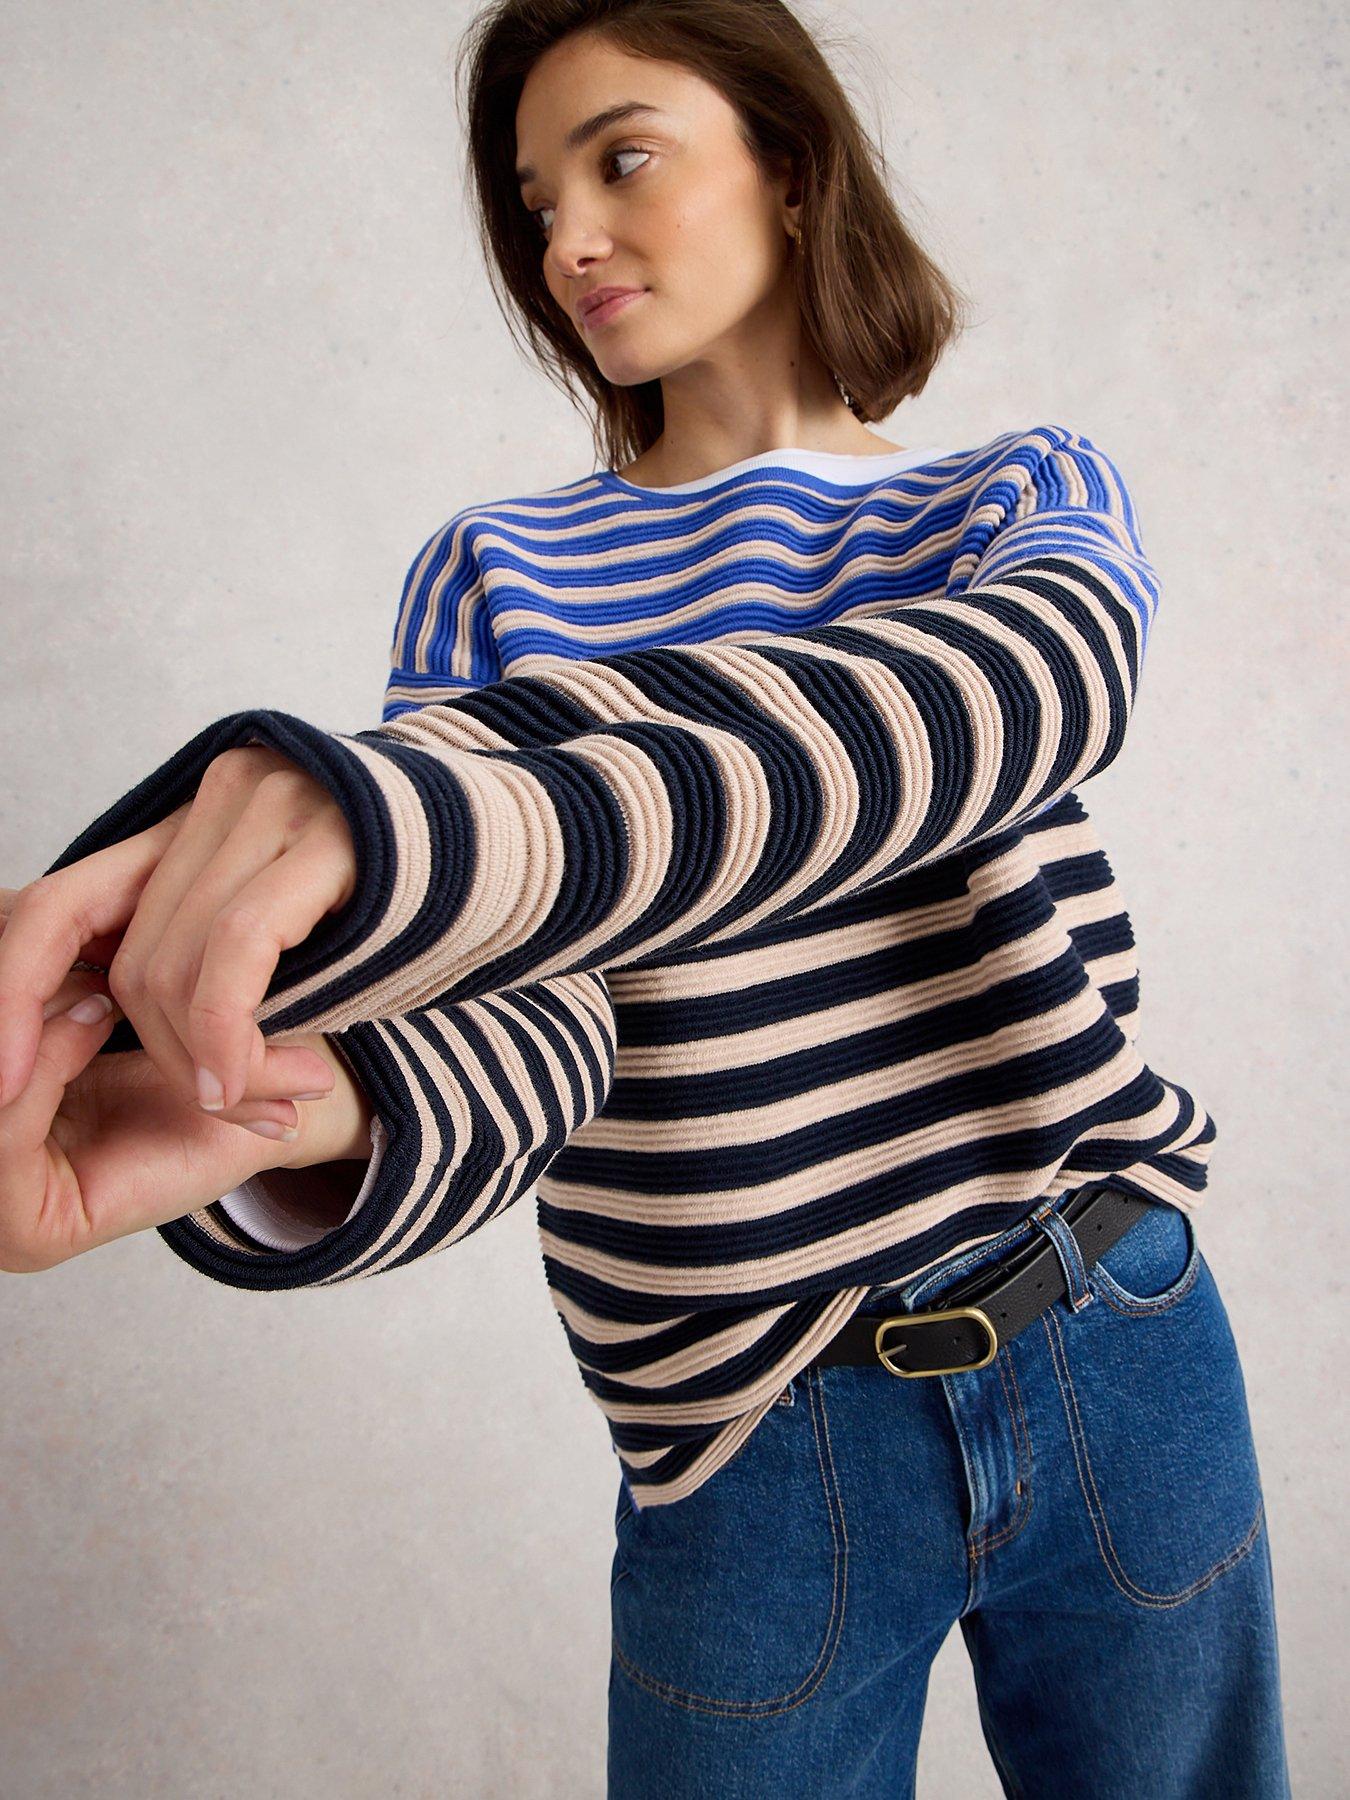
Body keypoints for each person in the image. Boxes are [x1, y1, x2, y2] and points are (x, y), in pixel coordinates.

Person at [0, 2, 1292, 1793]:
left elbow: (1006, 698)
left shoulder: (1009, 501)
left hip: (1109, 1339)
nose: (566, 241)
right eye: (534, 204)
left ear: (787, 154)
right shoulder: (494, 580)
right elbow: (537, 1019)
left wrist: (435, 828)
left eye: (622, 158)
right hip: (757, 1448)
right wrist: (320, 1106)